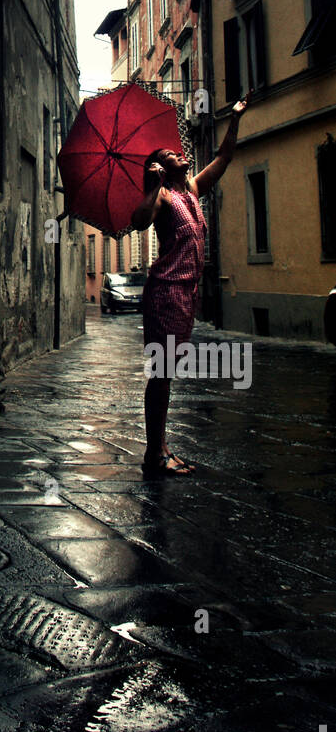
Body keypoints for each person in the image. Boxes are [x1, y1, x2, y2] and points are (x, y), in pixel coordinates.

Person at [130, 97, 248, 477]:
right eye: (170, 154)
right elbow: (139, 222)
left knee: (167, 371)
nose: (180, 153)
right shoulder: (163, 197)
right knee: (161, 372)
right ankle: (154, 453)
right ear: (161, 168)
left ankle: (160, 447)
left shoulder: (193, 190)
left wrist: (235, 120)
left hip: (186, 295)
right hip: (165, 292)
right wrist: (151, 187)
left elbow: (225, 158)